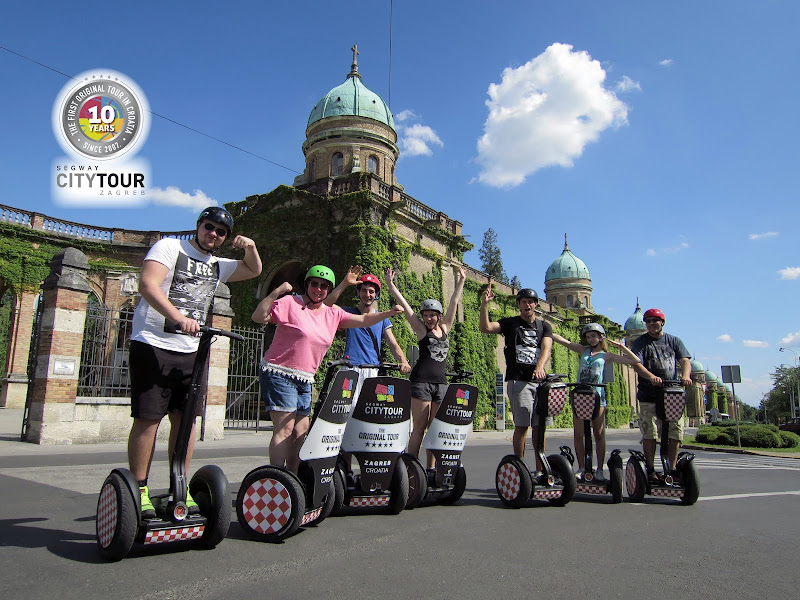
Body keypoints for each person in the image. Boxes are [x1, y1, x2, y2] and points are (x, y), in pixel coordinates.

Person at [128, 206, 262, 518]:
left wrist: (251, 247)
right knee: (148, 419)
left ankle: (179, 487)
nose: (213, 234)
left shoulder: (218, 265)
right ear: (199, 225)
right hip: (154, 344)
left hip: (191, 352)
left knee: (185, 423)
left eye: (221, 231)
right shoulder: (169, 247)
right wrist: (177, 317)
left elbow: (254, 270)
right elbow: (148, 284)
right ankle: (140, 489)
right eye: (209, 227)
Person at [252, 265, 404, 473]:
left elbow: (365, 320)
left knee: (301, 430)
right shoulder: (291, 303)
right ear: (307, 285)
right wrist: (277, 292)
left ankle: (293, 479)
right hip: (280, 372)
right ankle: (276, 480)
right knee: (285, 429)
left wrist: (390, 312)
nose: (319, 289)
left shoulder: (332, 314)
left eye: (324, 286)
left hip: (305, 378)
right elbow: (258, 317)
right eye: (314, 284)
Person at [325, 267, 412, 478]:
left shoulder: (382, 318)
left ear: (376, 295)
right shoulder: (348, 313)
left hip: (372, 373)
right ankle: (344, 468)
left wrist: (403, 360)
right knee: (346, 419)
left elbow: (392, 343)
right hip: (351, 371)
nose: (368, 295)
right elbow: (326, 306)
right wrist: (345, 282)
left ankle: (371, 467)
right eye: (364, 290)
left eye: (372, 292)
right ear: (359, 293)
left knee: (372, 419)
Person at [385, 264, 466, 468]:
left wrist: (461, 279)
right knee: (419, 429)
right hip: (420, 383)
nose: (429, 318)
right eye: (426, 315)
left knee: (435, 430)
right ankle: (412, 468)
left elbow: (454, 302)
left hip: (441, 384)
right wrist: (391, 285)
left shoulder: (446, 327)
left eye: (432, 315)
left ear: (439, 316)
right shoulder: (422, 330)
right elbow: (407, 310)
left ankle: (430, 470)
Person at [551, 323, 645, 481]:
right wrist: (547, 331)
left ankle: (600, 469)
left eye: (594, 336)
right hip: (580, 396)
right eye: (588, 337)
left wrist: (620, 346)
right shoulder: (583, 350)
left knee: (599, 434)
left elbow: (635, 360)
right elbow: (564, 342)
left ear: (601, 337)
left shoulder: (606, 356)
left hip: (597, 397)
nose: (590, 339)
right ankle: (581, 467)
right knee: (578, 434)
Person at [480, 287, 553, 474]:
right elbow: (486, 328)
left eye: (531, 301)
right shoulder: (511, 323)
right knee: (522, 426)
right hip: (519, 381)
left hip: (540, 383)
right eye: (523, 302)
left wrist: (540, 367)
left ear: (536, 304)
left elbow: (546, 349)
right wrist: (484, 305)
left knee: (539, 427)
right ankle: (520, 468)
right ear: (519, 304)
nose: (527, 305)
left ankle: (540, 469)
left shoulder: (544, 326)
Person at [630, 308, 692, 481]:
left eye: (654, 321)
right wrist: (651, 377)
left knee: (675, 432)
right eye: (648, 321)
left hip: (671, 394)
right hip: (648, 394)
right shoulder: (641, 342)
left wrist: (685, 376)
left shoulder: (674, 341)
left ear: (662, 322)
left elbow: (685, 361)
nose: (651, 324)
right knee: (650, 432)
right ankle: (650, 470)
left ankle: (671, 469)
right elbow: (636, 364)